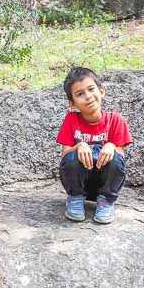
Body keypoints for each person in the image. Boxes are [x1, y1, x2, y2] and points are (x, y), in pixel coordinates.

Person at [56, 67, 132, 223]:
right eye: (80, 94)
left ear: (102, 90)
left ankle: (106, 201)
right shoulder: (71, 120)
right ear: (72, 103)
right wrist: (79, 145)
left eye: (91, 89)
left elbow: (120, 160)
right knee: (72, 156)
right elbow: (65, 157)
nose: (88, 96)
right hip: (78, 183)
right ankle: (75, 199)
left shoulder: (116, 120)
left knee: (115, 158)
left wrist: (111, 145)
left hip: (105, 183)